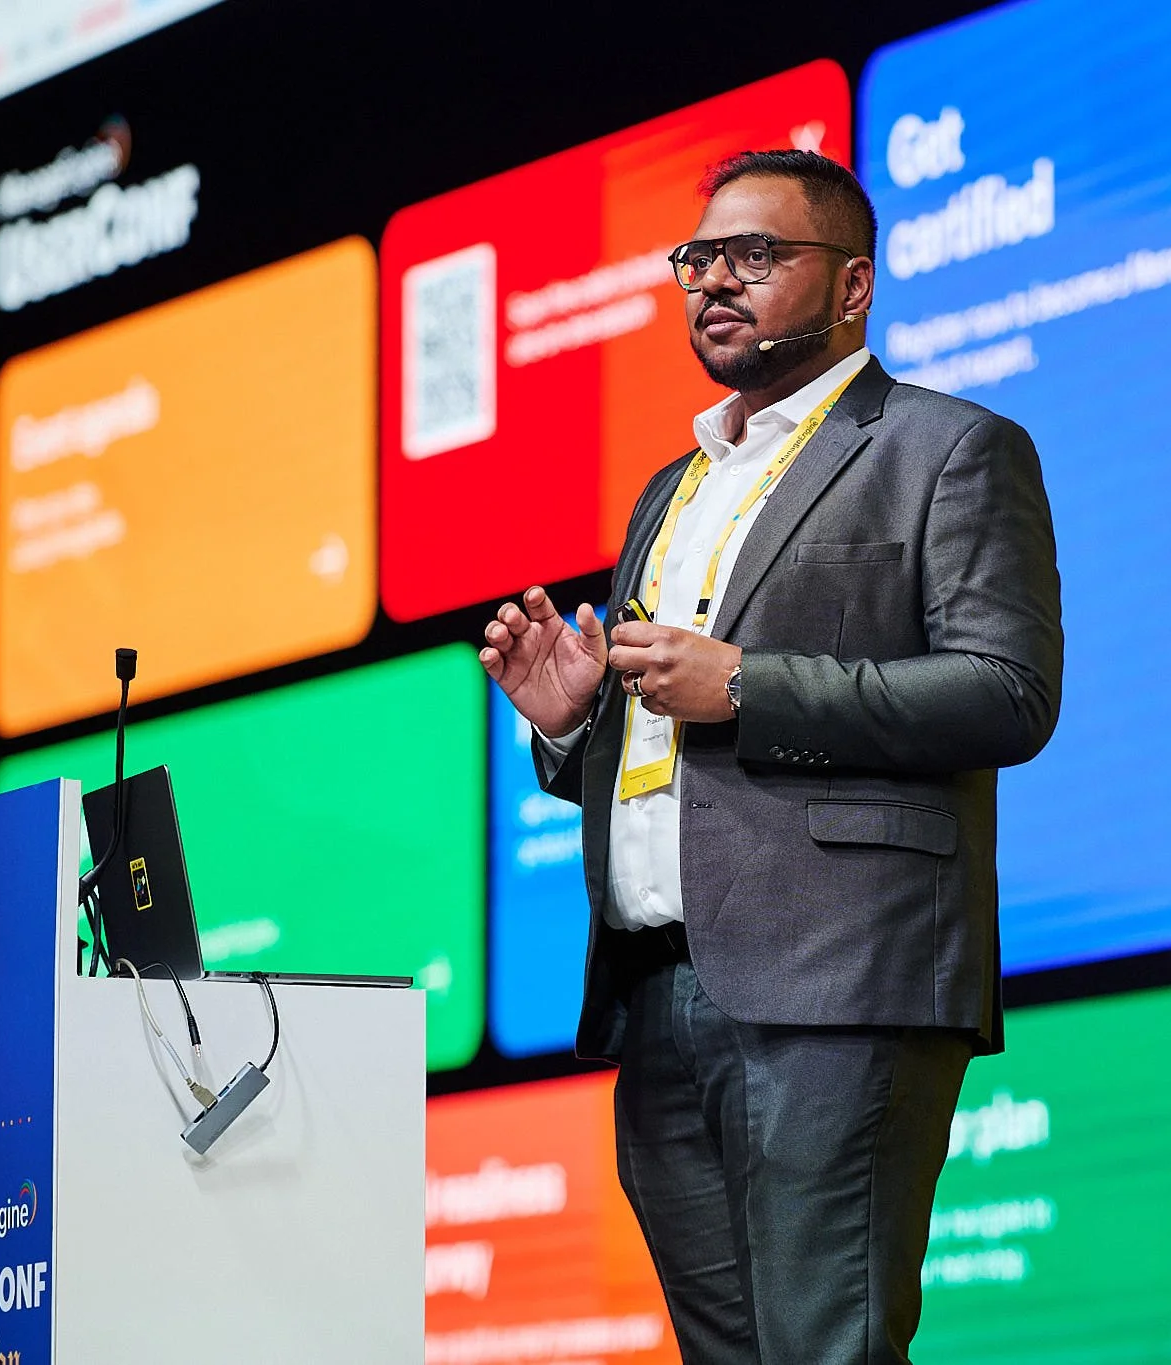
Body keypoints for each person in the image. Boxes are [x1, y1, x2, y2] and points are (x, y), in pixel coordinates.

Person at [477, 151, 1062, 1364]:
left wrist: (745, 683)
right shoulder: (670, 490)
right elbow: (664, 739)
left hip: (838, 981)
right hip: (655, 989)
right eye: (698, 260)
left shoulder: (947, 449)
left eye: (755, 257)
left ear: (851, 287)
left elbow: (1006, 695)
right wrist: (572, 722)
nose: (713, 284)